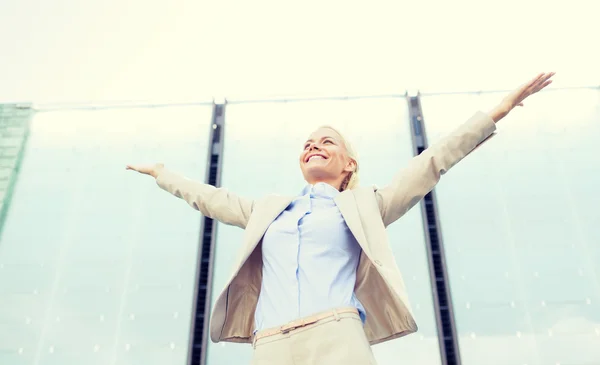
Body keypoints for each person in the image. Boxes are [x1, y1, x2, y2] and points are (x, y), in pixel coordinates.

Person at [127, 72, 555, 364]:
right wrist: (164, 175)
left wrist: (498, 110)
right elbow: (209, 198)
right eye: (308, 143)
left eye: (326, 141)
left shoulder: (366, 204)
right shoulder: (266, 210)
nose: (313, 146)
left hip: (337, 338)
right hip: (271, 345)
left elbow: (432, 162)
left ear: (349, 164)